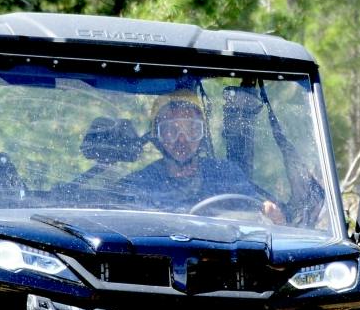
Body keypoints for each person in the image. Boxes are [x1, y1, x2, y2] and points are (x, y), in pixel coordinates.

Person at [120, 90, 285, 222]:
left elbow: (257, 215)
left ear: (203, 133)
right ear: (157, 136)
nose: (182, 139)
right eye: (171, 131)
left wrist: (271, 215)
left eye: (192, 129)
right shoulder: (140, 183)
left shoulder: (227, 174)